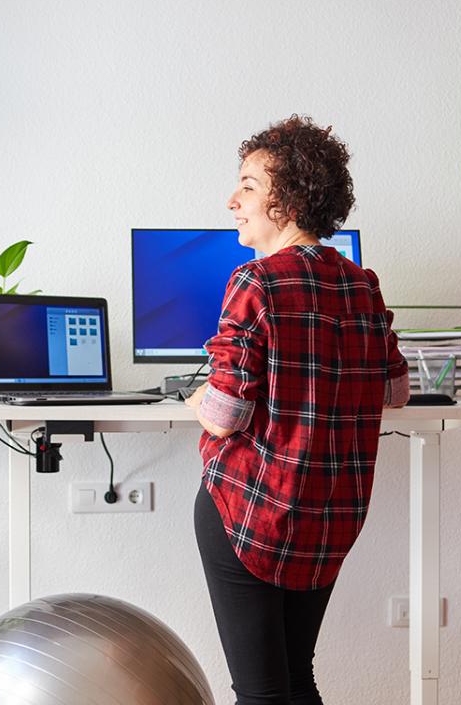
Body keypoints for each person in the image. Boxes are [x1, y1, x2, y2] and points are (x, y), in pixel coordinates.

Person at [185, 115, 410, 705]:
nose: (232, 200)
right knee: (296, 677)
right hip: (329, 518)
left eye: (248, 186)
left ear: (287, 200)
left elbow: (225, 415)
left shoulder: (256, 282)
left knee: (260, 692)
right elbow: (396, 392)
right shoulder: (363, 284)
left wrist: (195, 399)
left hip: (251, 513)